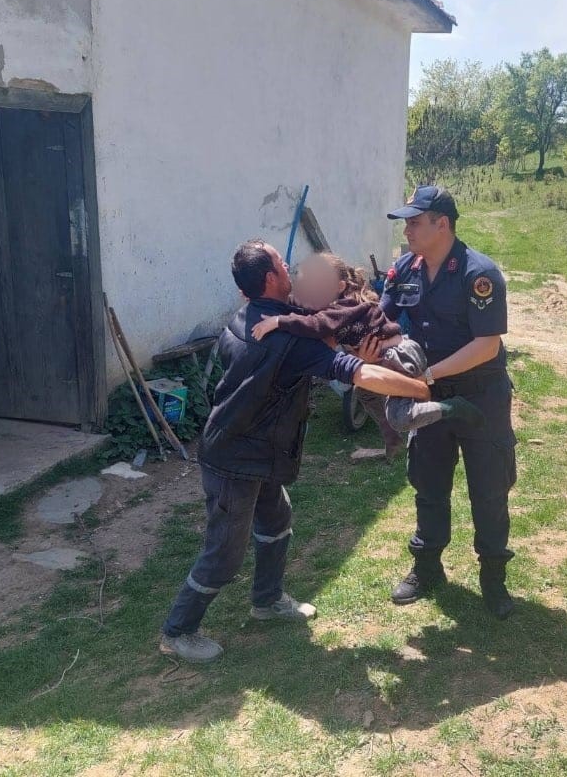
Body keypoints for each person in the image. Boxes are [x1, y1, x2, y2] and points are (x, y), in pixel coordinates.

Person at [159, 241, 433, 663]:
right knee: (224, 552)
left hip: (255, 447)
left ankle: (266, 601)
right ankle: (178, 631)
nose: (294, 270)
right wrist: (420, 386)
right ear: (271, 278)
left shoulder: (252, 315)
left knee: (276, 519)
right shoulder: (287, 338)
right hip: (235, 459)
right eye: (285, 264)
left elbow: (320, 324)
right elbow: (361, 374)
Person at [372, 186, 517, 619]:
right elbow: (382, 322)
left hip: (480, 397)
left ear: (443, 224)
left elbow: (487, 346)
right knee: (428, 483)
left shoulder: (478, 273)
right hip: (428, 398)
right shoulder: (403, 270)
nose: (408, 229)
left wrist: (427, 374)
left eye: (415, 221)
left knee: (489, 490)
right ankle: (427, 567)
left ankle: (494, 580)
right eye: (406, 222)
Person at [251, 252, 483, 434]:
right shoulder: (327, 304)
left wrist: (279, 321)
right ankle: (389, 435)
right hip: (386, 356)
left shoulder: (344, 308)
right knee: (365, 393)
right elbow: (301, 307)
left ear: (339, 287)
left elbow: (317, 324)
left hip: (398, 355)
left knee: (401, 419)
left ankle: (453, 407)